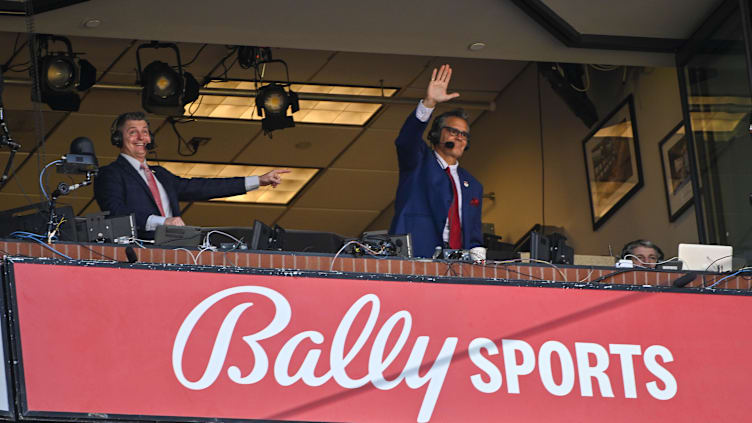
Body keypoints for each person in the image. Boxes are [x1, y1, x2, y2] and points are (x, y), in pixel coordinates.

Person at [94, 111, 290, 237]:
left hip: (173, 251)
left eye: (144, 132)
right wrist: (163, 222)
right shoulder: (110, 173)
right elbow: (115, 212)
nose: (140, 137)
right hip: (137, 255)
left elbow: (203, 188)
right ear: (118, 138)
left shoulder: (160, 174)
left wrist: (259, 180)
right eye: (132, 132)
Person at [389, 64, 483, 258]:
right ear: (436, 133)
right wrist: (429, 103)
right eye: (453, 131)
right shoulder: (418, 162)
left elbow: (473, 234)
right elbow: (406, 141)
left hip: (457, 265)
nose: (459, 138)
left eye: (464, 135)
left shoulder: (473, 185)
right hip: (416, 256)